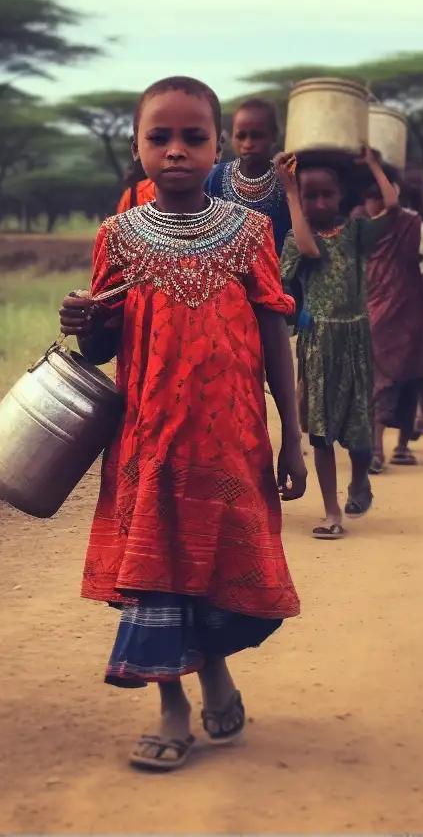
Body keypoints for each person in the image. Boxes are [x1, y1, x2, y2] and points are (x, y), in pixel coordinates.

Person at [60, 76, 305, 774]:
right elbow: (101, 348)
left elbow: (273, 334)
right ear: (136, 147)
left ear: (217, 144)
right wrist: (82, 323)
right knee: (156, 574)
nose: (175, 151)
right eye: (158, 137)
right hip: (149, 441)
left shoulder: (251, 233)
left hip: (231, 441)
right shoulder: (118, 237)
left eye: (193, 137)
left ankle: (217, 671)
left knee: (217, 566)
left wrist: (292, 433)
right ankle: (171, 705)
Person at [279, 147, 401, 534]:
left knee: (360, 431)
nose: (319, 202)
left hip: (355, 340)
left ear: (340, 195)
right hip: (318, 344)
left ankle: (360, 479)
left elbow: (393, 208)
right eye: (309, 194)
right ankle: (332, 511)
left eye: (325, 194)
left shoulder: (356, 232)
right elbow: (309, 248)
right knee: (321, 432)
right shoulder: (295, 237)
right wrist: (290, 193)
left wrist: (374, 166)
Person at [363, 163, 423, 472]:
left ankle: (401, 445)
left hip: (408, 311)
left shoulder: (411, 223)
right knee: (378, 381)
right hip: (374, 313)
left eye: (379, 196)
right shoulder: (361, 227)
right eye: (370, 198)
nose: (375, 203)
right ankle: (376, 449)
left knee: (408, 379)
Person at [205, 97, 291, 251]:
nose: (248, 144)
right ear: (232, 137)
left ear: (274, 136)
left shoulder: (286, 181)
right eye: (241, 136)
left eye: (257, 136)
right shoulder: (213, 179)